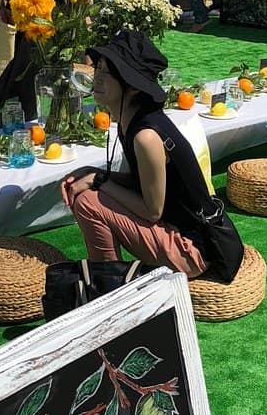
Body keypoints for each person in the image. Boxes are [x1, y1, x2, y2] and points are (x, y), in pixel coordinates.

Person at [62, 30, 228, 275]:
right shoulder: (131, 120)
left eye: (107, 72)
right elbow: (139, 184)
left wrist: (98, 181)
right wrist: (92, 174)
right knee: (87, 190)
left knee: (88, 201)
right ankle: (107, 274)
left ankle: (108, 282)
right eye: (98, 68)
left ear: (132, 87)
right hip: (178, 232)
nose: (97, 77)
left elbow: (152, 211)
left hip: (193, 250)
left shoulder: (146, 136)